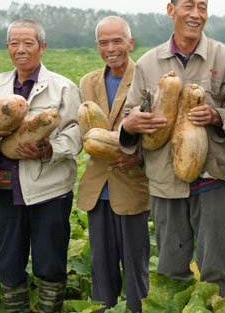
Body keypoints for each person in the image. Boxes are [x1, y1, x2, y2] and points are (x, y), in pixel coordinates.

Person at [118, 0, 225, 296]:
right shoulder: (147, 63)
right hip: (164, 181)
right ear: (171, 10)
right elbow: (129, 118)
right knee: (171, 270)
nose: (196, 13)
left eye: (203, 7)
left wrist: (217, 117)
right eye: (189, 5)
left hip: (212, 178)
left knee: (215, 271)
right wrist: (132, 124)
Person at [0, 19, 82, 313]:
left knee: (51, 262)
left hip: (50, 190)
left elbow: (76, 134)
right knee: (9, 263)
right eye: (14, 43)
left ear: (42, 47)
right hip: (6, 188)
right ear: (7, 48)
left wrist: (49, 148)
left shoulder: (62, 87)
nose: (20, 50)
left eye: (28, 43)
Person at [78, 16, 150, 312]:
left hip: (132, 185)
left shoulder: (146, 78)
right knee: (101, 268)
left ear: (130, 43)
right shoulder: (87, 82)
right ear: (97, 46)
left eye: (117, 41)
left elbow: (160, 133)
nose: (111, 48)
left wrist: (138, 156)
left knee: (135, 270)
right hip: (97, 189)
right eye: (104, 42)